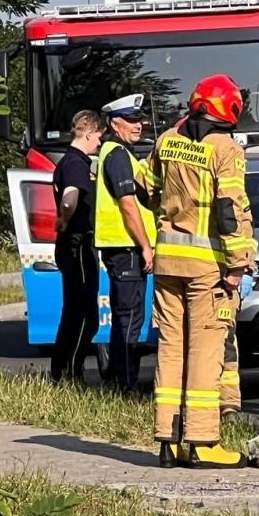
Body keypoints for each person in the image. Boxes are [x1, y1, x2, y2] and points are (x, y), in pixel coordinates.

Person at [146, 75, 256, 467]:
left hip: (167, 261)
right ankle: (204, 440)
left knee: (171, 348)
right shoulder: (225, 148)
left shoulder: (167, 141)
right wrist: (237, 266)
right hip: (207, 263)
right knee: (206, 350)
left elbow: (148, 189)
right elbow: (230, 210)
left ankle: (169, 438)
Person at [94, 94, 155, 391]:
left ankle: (121, 382)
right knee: (130, 319)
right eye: (131, 120)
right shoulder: (117, 154)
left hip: (122, 246)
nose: (138, 125)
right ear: (114, 123)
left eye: (139, 119)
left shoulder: (120, 153)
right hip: (127, 246)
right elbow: (128, 205)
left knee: (127, 316)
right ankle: (125, 384)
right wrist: (145, 245)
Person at [50, 109, 103, 383]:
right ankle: (70, 374)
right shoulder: (76, 163)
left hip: (74, 243)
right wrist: (64, 218)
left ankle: (61, 373)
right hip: (78, 244)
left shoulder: (72, 161)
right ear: (88, 132)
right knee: (84, 315)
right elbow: (71, 197)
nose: (99, 143)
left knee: (74, 311)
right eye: (98, 137)